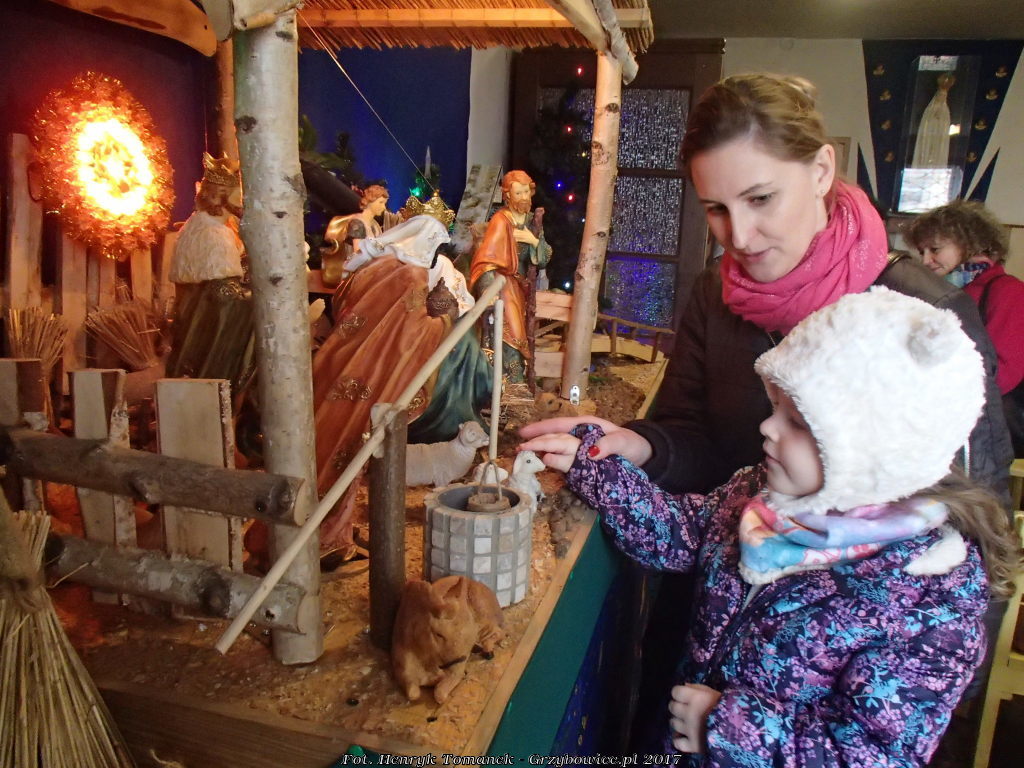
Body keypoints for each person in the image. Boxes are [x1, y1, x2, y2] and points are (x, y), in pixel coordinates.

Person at [518, 73, 1013, 747]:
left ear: (821, 171)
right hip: (717, 624)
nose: (739, 236)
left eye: (760, 198)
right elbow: (692, 439)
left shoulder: (924, 315)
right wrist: (640, 448)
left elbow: (973, 524)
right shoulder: (716, 294)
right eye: (716, 209)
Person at [522, 288, 1021, 764]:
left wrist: (727, 727)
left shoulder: (924, 606)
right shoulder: (760, 496)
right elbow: (684, 533)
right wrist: (599, 470)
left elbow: (874, 754)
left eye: (798, 423)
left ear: (875, 454)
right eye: (775, 406)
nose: (767, 426)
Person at [311, 215, 492, 560]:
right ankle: (323, 539)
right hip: (368, 378)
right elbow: (411, 334)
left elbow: (349, 308)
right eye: (436, 246)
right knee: (344, 453)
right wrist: (445, 317)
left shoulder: (375, 266)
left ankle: (337, 532)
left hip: (342, 367)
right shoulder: (410, 276)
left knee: (332, 447)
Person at [905, 200, 1024, 456]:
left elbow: (1003, 373)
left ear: (970, 243)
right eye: (922, 251)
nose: (926, 260)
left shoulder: (1008, 291)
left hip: (979, 426)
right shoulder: (937, 290)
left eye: (935, 249)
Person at [166, 152, 255, 393]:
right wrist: (261, 299)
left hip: (198, 315)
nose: (243, 198)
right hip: (207, 327)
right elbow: (225, 296)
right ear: (222, 195)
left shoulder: (201, 225)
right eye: (239, 192)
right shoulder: (214, 234)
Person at [469, 170, 552, 382]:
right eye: (518, 193)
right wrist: (490, 291)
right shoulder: (500, 220)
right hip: (501, 284)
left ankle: (514, 380)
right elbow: (486, 261)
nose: (524, 197)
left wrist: (533, 241)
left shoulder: (533, 222)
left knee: (520, 330)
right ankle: (505, 381)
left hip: (521, 287)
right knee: (508, 331)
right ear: (507, 195)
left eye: (526, 192)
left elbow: (544, 258)